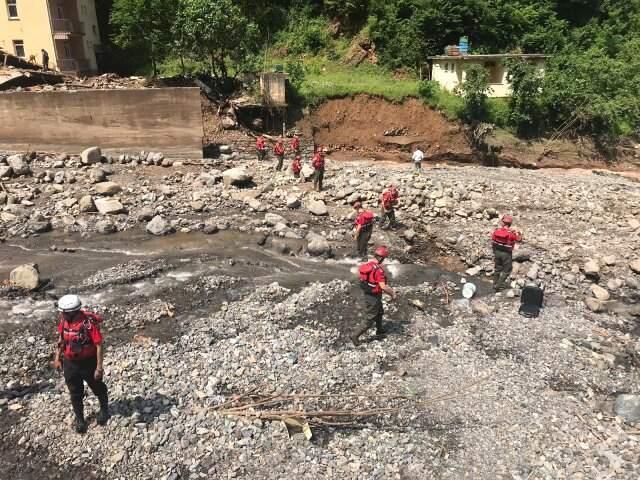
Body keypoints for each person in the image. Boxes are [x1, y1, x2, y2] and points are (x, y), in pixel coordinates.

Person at [53, 295, 109, 434]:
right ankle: (80, 419)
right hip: (70, 363)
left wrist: (99, 368)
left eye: (63, 312)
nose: (61, 314)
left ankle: (104, 409)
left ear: (71, 312)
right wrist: (57, 358)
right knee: (75, 392)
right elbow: (61, 340)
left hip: (88, 363)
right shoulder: (64, 322)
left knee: (97, 386)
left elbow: (99, 345)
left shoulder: (88, 325)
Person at [352, 246, 396, 346]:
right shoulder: (378, 271)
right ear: (381, 258)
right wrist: (393, 294)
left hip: (369, 292)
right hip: (373, 296)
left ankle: (380, 330)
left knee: (380, 311)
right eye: (384, 258)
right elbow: (383, 286)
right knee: (370, 318)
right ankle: (355, 335)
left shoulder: (368, 265)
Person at [491, 214, 522, 291]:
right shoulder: (511, 234)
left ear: (502, 222)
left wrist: (495, 252)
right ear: (510, 224)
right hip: (506, 254)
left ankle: (495, 283)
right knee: (507, 270)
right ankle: (498, 285)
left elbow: (493, 241)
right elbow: (519, 239)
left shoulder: (496, 231)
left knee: (497, 268)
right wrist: (518, 232)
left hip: (497, 252)